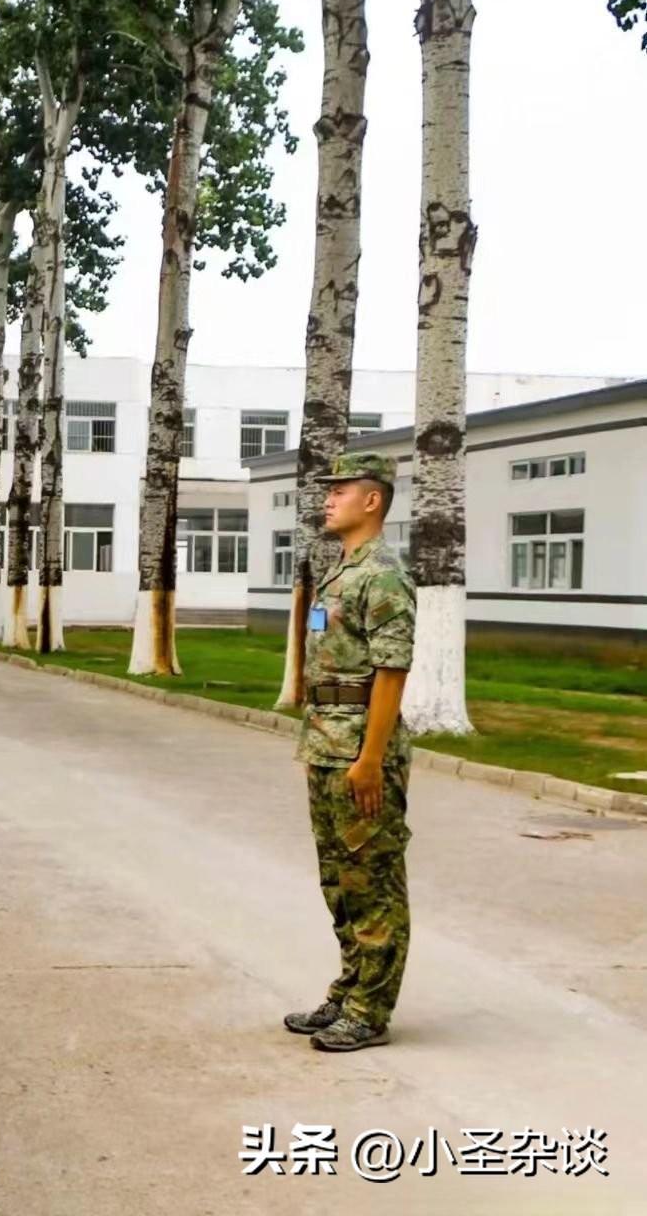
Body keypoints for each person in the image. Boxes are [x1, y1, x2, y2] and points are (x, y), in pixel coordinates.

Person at [284, 452, 417, 1054]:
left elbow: (392, 670)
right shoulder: (342, 569)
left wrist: (370, 758)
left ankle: (371, 1009)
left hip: (362, 747)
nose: (328, 499)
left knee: (373, 879)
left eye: (340, 490)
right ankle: (349, 987)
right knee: (339, 879)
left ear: (373, 500)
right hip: (327, 740)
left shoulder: (383, 573)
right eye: (328, 490)